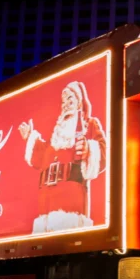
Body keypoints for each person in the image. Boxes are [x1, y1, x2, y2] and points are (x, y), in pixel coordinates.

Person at [19, 81, 107, 233]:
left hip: (72, 209)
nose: (66, 103)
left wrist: (88, 149)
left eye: (70, 98)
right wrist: (30, 138)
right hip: (46, 212)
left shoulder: (89, 125)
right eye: (64, 100)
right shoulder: (56, 134)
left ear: (79, 103)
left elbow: (103, 153)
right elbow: (43, 156)